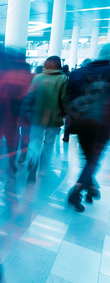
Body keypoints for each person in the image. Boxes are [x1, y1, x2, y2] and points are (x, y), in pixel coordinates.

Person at [66, 44, 110, 212]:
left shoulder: (78, 72)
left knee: (87, 157)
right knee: (92, 160)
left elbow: (68, 95)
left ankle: (91, 187)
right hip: (101, 124)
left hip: (79, 121)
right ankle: (75, 191)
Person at [24, 56, 68, 183]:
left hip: (37, 115)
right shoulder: (63, 78)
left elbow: (30, 96)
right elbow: (64, 99)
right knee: (48, 144)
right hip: (54, 116)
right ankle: (42, 170)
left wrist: (28, 111)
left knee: (35, 141)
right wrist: (65, 114)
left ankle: (33, 162)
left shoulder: (37, 77)